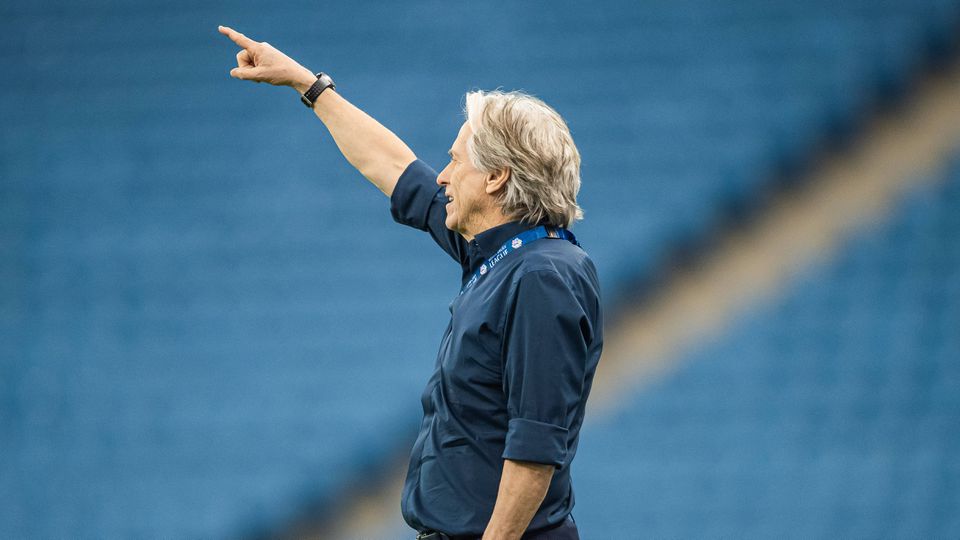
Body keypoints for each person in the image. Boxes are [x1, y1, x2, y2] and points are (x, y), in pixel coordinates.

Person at [218, 25, 603, 540]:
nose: (442, 176)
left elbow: (535, 449)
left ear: (496, 178)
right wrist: (307, 84)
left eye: (455, 161)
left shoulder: (541, 276)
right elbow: (395, 167)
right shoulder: (504, 255)